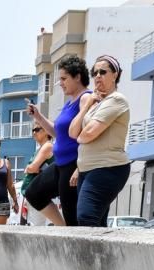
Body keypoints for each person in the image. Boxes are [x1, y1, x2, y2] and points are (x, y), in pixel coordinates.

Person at [24, 55, 91, 226]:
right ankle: (61, 229)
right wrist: (38, 117)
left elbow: (90, 133)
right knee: (33, 193)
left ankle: (68, 234)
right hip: (60, 165)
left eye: (63, 78)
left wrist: (79, 167)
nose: (60, 83)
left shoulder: (85, 98)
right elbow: (57, 132)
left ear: (77, 77)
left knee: (73, 218)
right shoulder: (69, 103)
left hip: (72, 165)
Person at [69, 55, 130, 227]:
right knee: (97, 221)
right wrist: (87, 104)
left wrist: (82, 138)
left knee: (86, 216)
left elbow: (88, 134)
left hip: (108, 168)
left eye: (103, 72)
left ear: (115, 75)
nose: (97, 76)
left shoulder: (117, 100)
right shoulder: (96, 104)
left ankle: (88, 255)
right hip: (87, 169)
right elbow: (73, 132)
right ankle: (104, 255)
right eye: (94, 72)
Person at [20, 124, 54, 226]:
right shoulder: (40, 149)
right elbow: (31, 170)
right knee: (37, 228)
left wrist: (29, 168)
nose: (34, 132)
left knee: (39, 229)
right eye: (33, 130)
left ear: (47, 132)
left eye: (37, 129)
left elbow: (32, 168)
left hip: (41, 193)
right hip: (34, 193)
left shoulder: (47, 146)